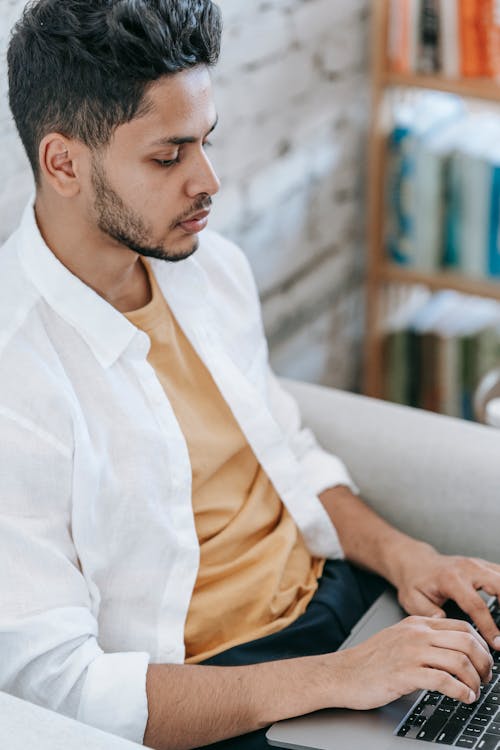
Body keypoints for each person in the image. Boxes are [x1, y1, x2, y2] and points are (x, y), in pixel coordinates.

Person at [1, 2, 499, 749]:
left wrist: (408, 558)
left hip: (344, 604)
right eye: (169, 157)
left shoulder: (207, 267)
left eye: (207, 141)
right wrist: (340, 679)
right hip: (225, 688)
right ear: (64, 163)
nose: (209, 180)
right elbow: (64, 687)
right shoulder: (18, 378)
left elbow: (289, 456)